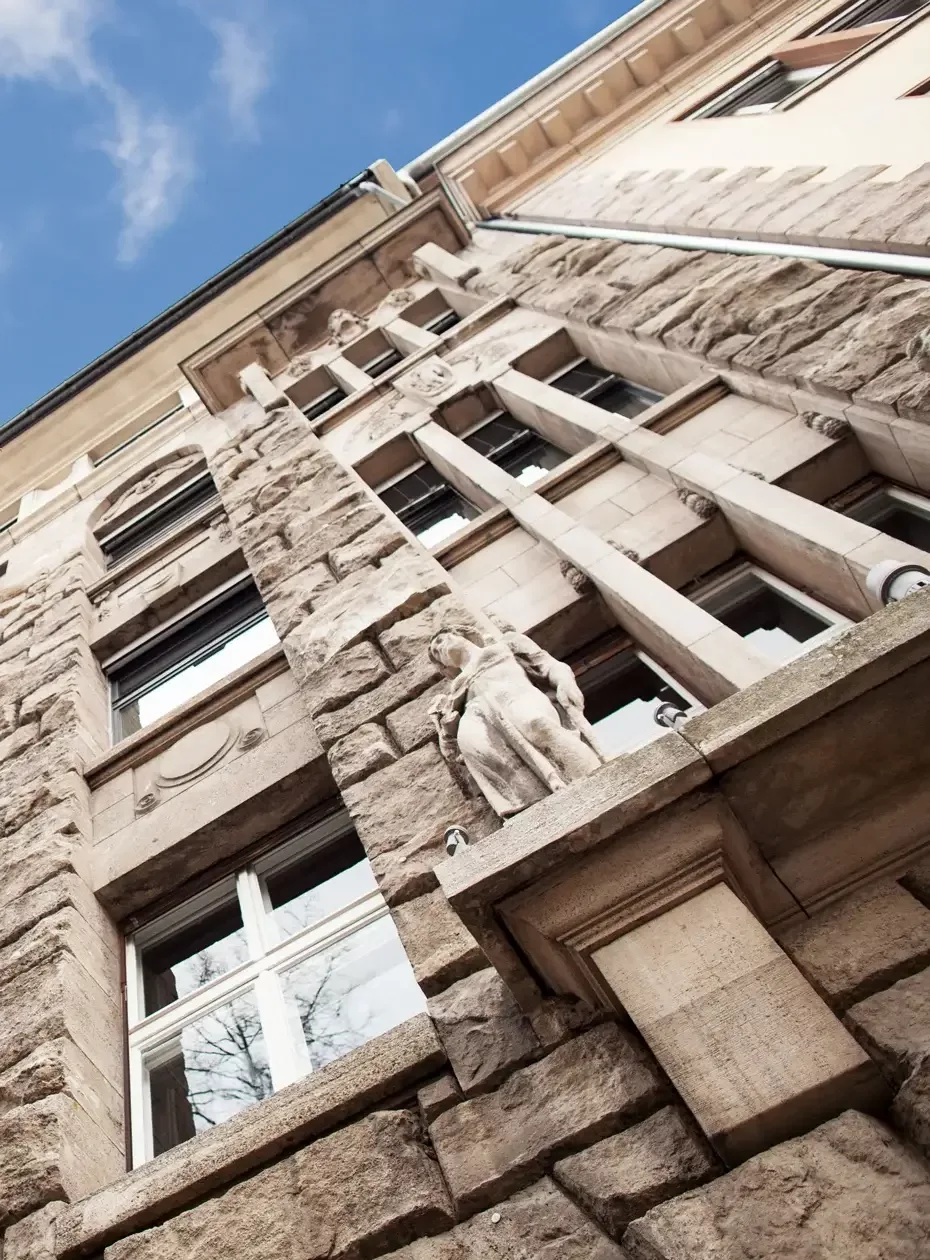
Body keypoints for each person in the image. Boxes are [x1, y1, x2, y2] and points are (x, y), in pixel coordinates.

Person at [428, 630, 603, 819]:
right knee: (491, 757)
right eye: (436, 652)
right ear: (445, 666)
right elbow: (450, 752)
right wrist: (445, 727)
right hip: (480, 716)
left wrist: (563, 680)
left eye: (439, 641)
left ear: (461, 634)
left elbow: (548, 664)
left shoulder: (506, 644)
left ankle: (595, 779)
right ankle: (534, 813)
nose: (439, 647)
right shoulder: (455, 692)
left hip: (516, 696)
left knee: (537, 724)